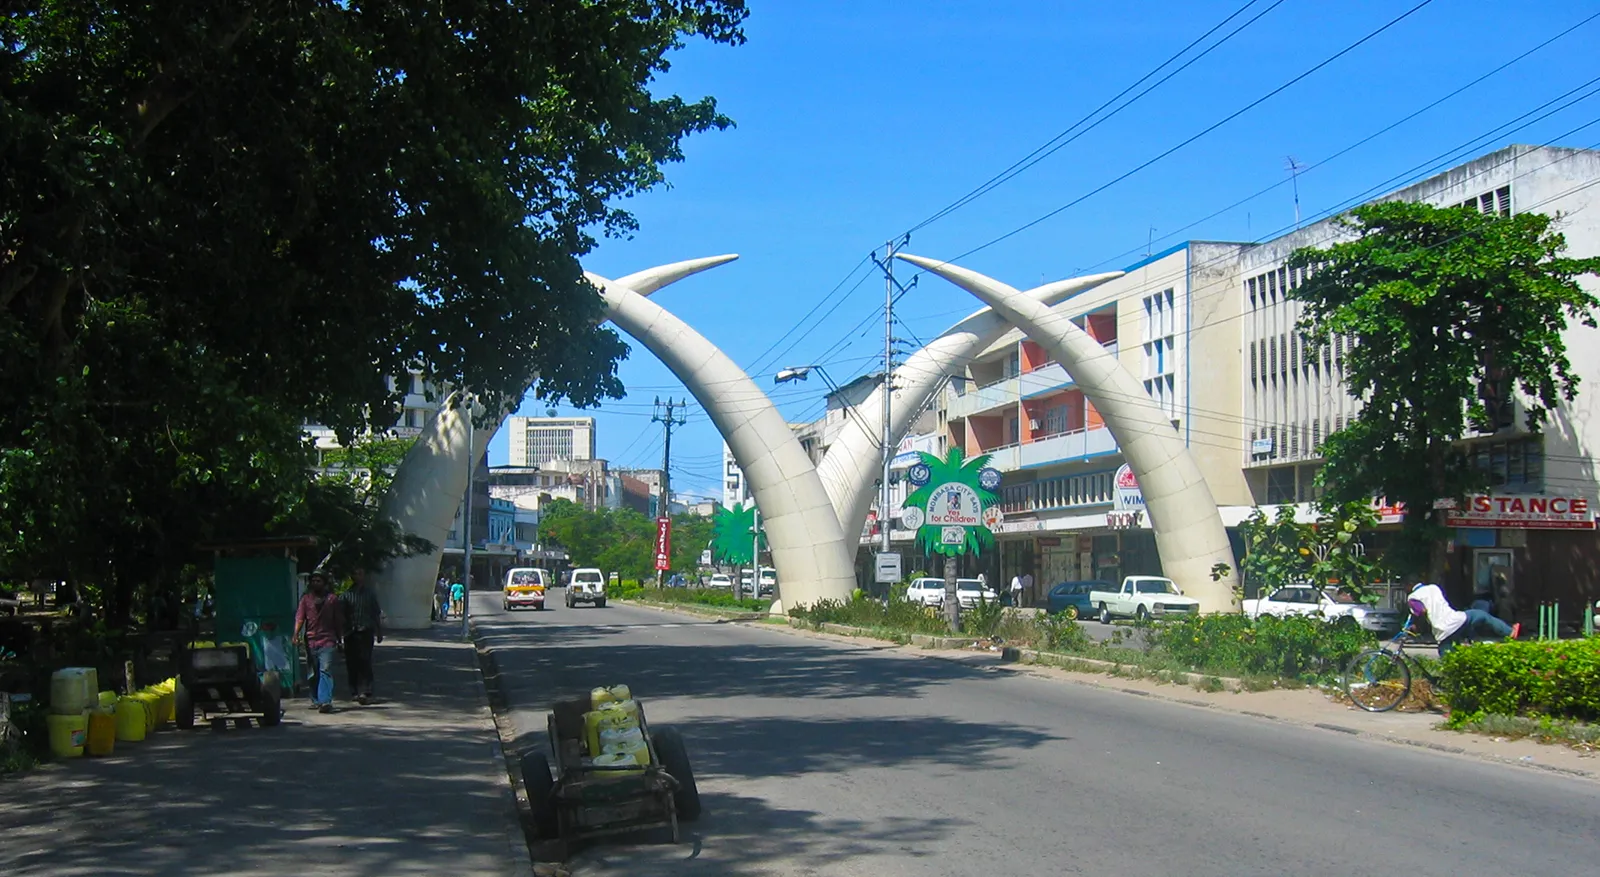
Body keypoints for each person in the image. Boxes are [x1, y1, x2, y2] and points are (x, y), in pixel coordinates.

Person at [1407, 581, 1519, 656]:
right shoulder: (1434, 587)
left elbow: (1421, 611)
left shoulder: (1412, 597)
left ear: (1409, 586)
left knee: (1448, 659)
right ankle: (1509, 632)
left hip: (1443, 632)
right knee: (1482, 615)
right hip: (1457, 620)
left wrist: (1414, 624)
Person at [293, 571, 344, 713]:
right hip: (311, 641)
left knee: (325, 670)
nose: (316, 583)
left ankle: (325, 701)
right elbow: (300, 618)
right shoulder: (306, 599)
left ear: (325, 583)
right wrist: (296, 634)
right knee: (313, 673)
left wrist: (340, 640)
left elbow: (338, 621)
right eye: (313, 581)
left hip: (328, 640)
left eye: (319, 581)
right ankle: (315, 699)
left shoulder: (332, 599)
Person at [341, 568, 383, 705]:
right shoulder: (346, 595)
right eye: (355, 573)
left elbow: (376, 613)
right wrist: (340, 634)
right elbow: (341, 616)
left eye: (360, 573)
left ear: (364, 576)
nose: (357, 576)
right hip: (350, 633)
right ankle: (354, 691)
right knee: (351, 662)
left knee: (365, 660)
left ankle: (366, 690)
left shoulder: (370, 594)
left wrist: (379, 631)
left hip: (366, 632)